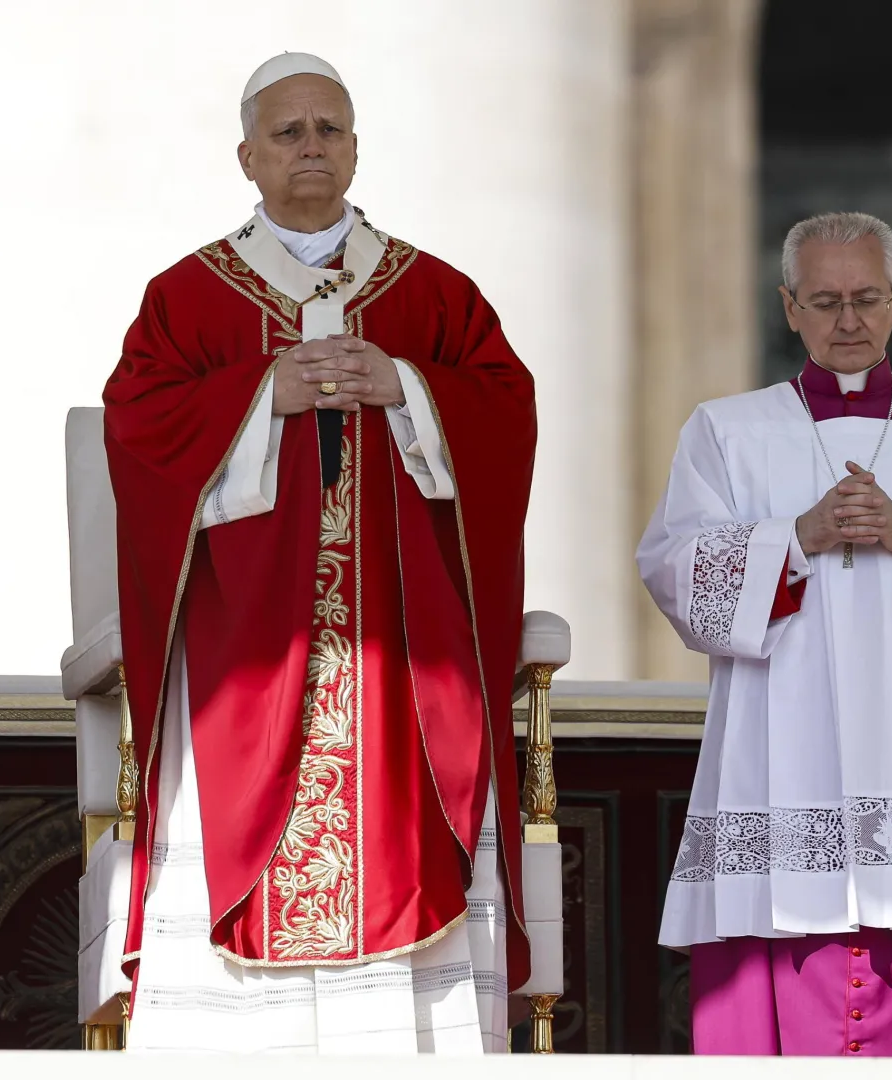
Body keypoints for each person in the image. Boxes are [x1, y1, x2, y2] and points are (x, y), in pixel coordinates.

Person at [102, 53, 537, 1054]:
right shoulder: (187, 297)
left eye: (329, 130)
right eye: (288, 132)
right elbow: (138, 427)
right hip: (248, 640)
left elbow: (506, 411)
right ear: (247, 156)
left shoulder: (433, 292)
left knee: (401, 828)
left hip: (397, 645)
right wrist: (264, 394)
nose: (311, 147)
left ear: (355, 149)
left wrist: (408, 388)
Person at [638, 211, 892, 1057]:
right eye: (825, 301)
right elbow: (673, 568)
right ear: (789, 306)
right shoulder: (727, 430)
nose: (848, 320)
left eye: (867, 298)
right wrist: (798, 538)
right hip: (780, 742)